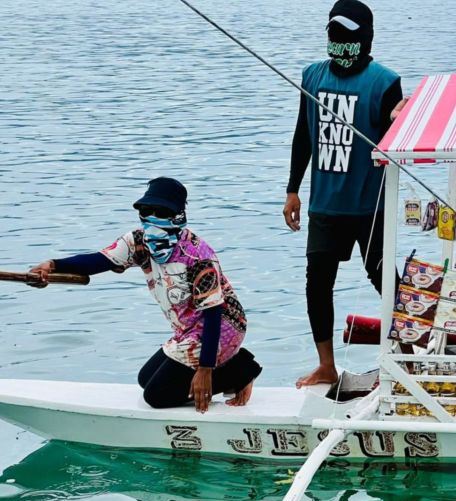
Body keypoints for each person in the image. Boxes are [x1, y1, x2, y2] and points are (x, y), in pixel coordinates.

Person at [29, 177, 260, 413]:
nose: (151, 216)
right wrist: (52, 265)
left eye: (159, 211)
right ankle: (231, 371)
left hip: (222, 326)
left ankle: (242, 371)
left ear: (177, 215)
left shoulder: (197, 256)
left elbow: (212, 312)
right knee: (145, 379)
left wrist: (205, 369)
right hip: (187, 330)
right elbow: (98, 261)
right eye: (145, 210)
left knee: (157, 396)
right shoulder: (139, 242)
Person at [284, 0, 407, 387]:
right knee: (317, 281)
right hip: (325, 203)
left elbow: (395, 137)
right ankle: (326, 365)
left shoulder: (385, 82)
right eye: (334, 34)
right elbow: (303, 135)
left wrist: (397, 120)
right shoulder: (312, 76)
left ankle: (407, 357)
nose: (339, 42)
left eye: (348, 36)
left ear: (365, 39)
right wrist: (292, 190)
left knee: (384, 278)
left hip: (370, 204)